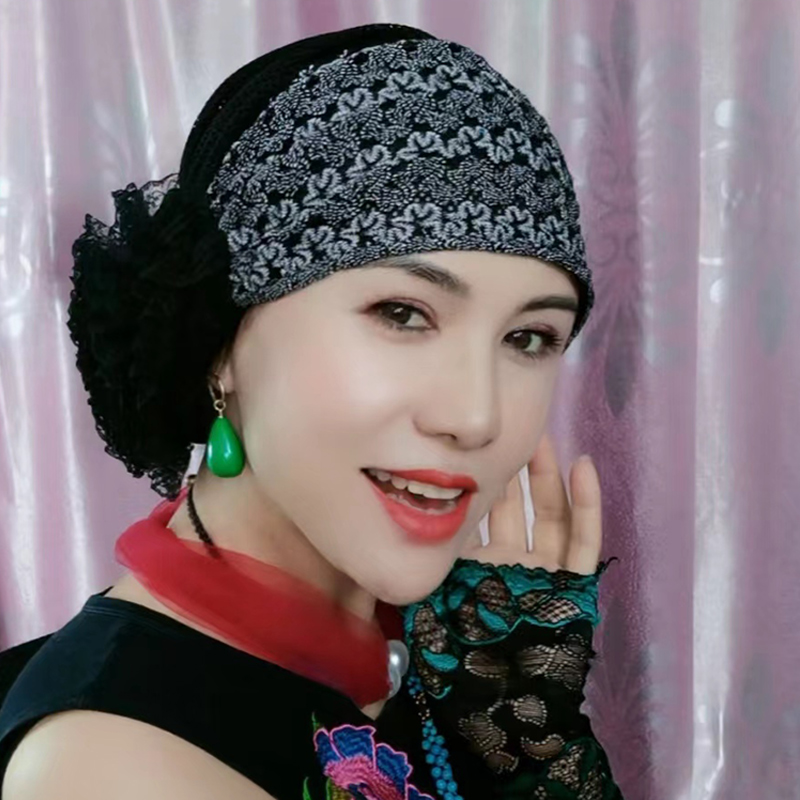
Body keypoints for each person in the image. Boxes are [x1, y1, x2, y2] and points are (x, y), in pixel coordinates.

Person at [0, 22, 623, 800]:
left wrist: (521, 724)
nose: (476, 416)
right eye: (402, 314)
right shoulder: (119, 768)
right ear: (219, 341)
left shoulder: (450, 654)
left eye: (528, 337)